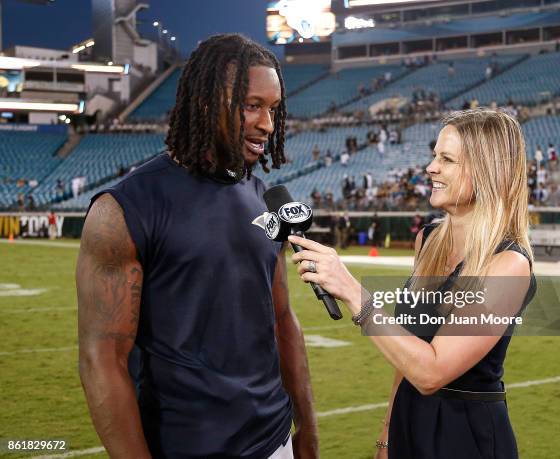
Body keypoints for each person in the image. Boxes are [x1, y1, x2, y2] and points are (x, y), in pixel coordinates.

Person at [76, 34, 318, 459]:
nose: (267, 124)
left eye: (273, 109)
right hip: (185, 445)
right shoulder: (125, 209)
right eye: (251, 105)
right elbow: (103, 360)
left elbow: (282, 320)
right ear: (205, 103)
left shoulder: (264, 198)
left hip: (275, 440)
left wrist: (308, 431)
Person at [289, 109, 536, 459]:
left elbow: (431, 371)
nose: (430, 168)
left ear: (485, 171)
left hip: (465, 435)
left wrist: (351, 290)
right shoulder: (429, 239)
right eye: (434, 156)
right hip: (410, 420)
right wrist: (389, 430)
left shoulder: (508, 264)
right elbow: (410, 351)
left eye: (446, 159)